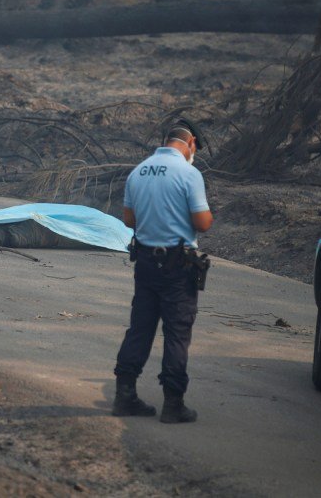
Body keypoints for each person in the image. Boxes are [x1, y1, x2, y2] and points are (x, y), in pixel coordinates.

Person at [112, 118, 213, 423]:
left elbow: (129, 219)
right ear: (190, 143)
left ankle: (124, 396)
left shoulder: (137, 171)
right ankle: (173, 403)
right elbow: (203, 222)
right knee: (177, 333)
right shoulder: (189, 173)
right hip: (177, 265)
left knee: (140, 328)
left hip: (145, 263)